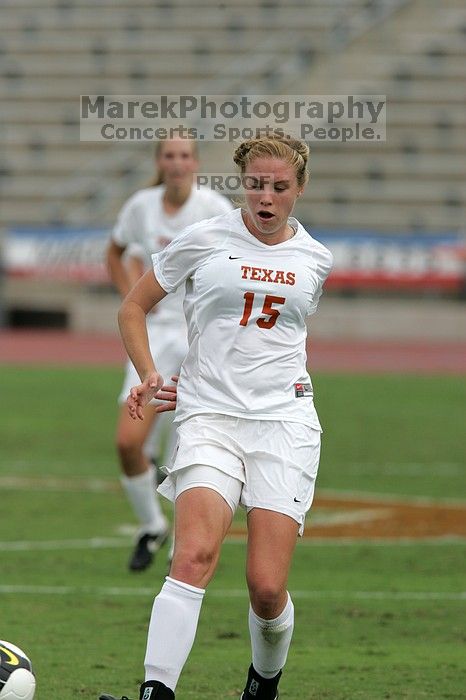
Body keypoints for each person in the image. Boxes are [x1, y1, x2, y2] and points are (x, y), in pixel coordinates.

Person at [100, 134, 333, 700]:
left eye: (279, 187)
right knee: (194, 555)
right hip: (208, 419)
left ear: (299, 188)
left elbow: (272, 344)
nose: (266, 197)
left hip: (284, 423)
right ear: (241, 185)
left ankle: (264, 682)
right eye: (255, 185)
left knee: (266, 588)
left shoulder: (315, 259)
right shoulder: (204, 238)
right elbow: (133, 306)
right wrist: (152, 374)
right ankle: (155, 693)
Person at [106, 139, 233, 571]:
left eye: (185, 156)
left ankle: (184, 547)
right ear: (159, 162)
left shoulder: (215, 207)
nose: (177, 163)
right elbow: (114, 251)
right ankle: (151, 525)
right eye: (169, 155)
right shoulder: (141, 206)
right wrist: (133, 297)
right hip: (154, 335)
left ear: (195, 163)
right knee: (128, 442)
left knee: (189, 452)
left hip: (201, 337)